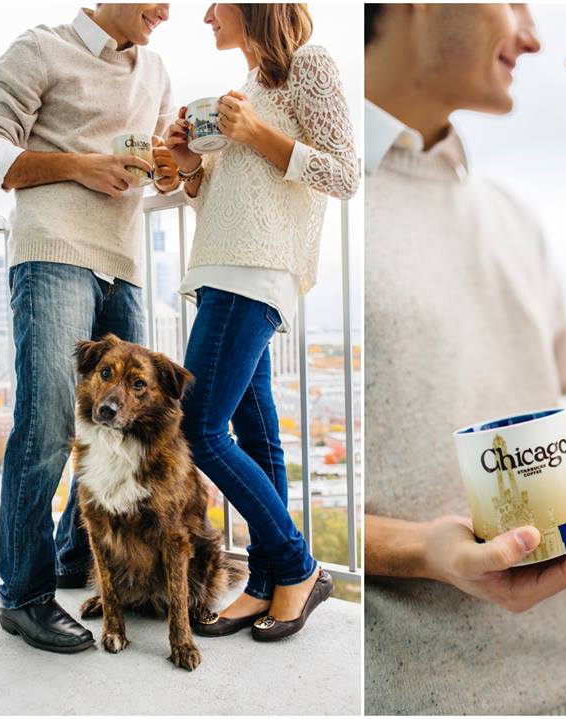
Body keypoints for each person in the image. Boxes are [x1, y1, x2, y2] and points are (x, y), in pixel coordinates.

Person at [363, 4, 566, 714]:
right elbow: (283, 502)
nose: (534, 38)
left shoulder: (514, 217)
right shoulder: (320, 201)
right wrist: (424, 550)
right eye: (515, 5)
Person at [0, 3, 174, 653]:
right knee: (50, 421)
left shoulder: (157, 71)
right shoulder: (41, 49)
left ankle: (71, 558)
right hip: (53, 251)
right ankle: (23, 596)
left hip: (125, 262)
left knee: (124, 427)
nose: (167, 10)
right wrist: (80, 165)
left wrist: (173, 167)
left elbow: (166, 170)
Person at [158, 2, 359, 641]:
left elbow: (345, 172)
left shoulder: (309, 64)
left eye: (217, 3)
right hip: (224, 264)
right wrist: (188, 164)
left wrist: (253, 134)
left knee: (198, 425)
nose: (208, 15)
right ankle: (271, 582)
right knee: (253, 428)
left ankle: (299, 567)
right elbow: (224, 187)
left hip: (257, 268)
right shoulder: (243, 90)